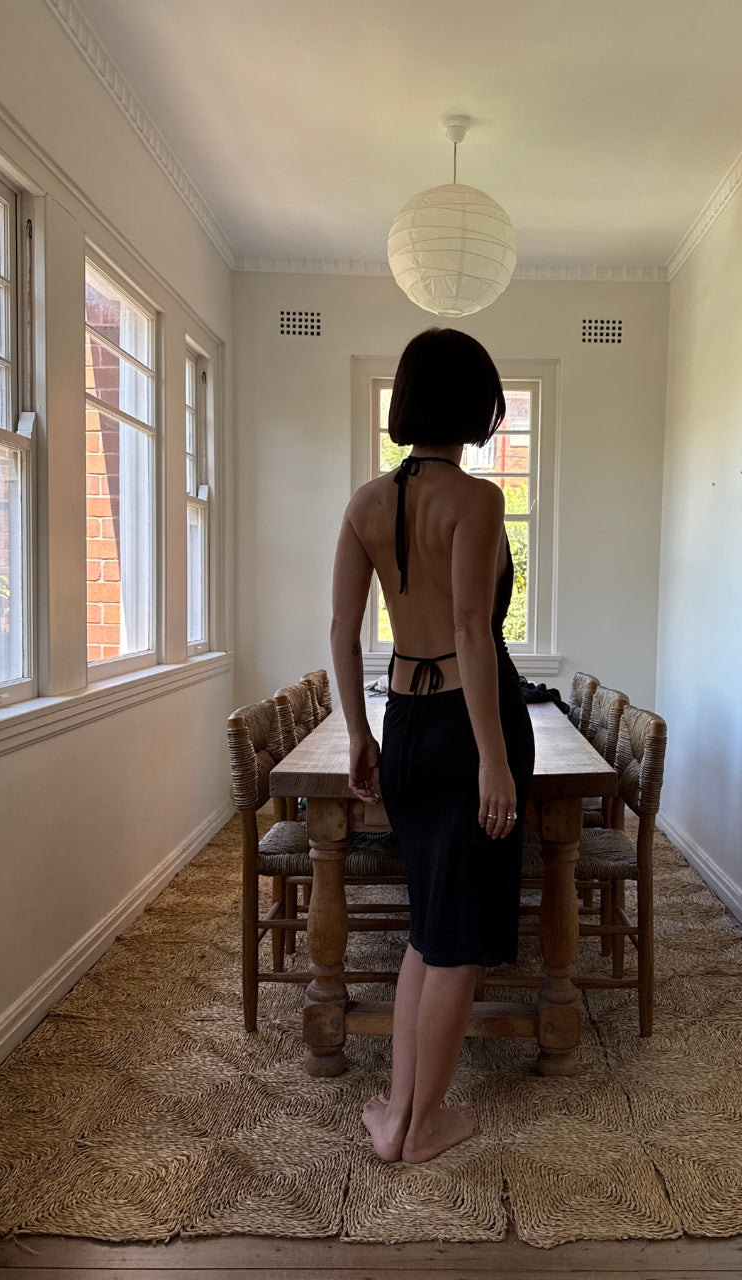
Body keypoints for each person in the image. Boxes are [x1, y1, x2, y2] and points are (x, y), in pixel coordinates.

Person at [330, 328, 535, 1165]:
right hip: (466, 726)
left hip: (404, 726)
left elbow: (342, 630)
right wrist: (494, 759)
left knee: (427, 925)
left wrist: (357, 731)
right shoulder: (476, 501)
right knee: (456, 936)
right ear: (475, 407)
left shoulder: (365, 503)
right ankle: (423, 1129)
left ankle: (397, 1114)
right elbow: (471, 631)